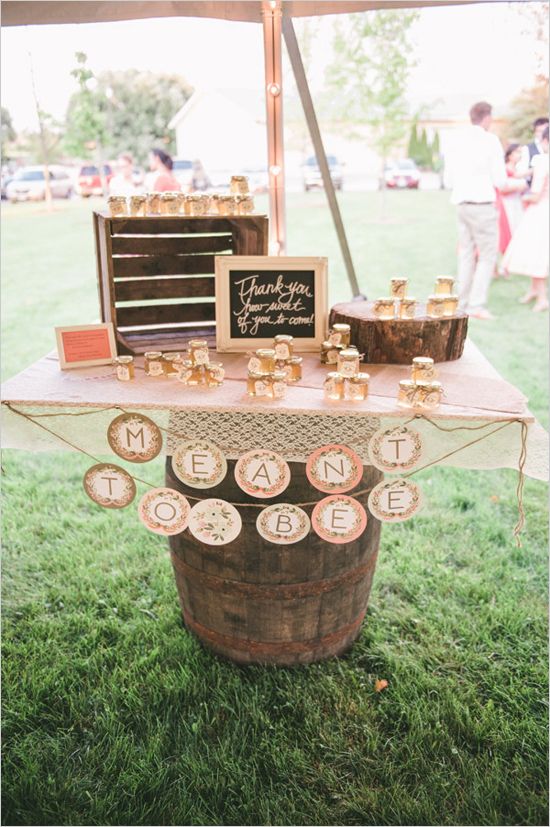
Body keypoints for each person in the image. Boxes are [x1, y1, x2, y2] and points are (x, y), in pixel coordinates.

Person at [448, 101, 507, 320]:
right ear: (487, 117)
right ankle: (476, 305)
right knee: (487, 256)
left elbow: (448, 177)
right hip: (481, 204)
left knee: (466, 253)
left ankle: (462, 302)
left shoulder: (457, 140)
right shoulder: (490, 140)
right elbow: (500, 179)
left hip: (461, 203)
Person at [502, 126, 549, 312]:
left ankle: (543, 297)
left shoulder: (543, 161)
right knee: (536, 252)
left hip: (540, 211)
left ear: (546, 141)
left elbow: (536, 194)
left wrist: (524, 198)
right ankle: (533, 290)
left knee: (536, 253)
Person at [517, 116, 549, 184]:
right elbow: (521, 172)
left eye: (545, 131)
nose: (543, 134)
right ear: (535, 132)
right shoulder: (527, 149)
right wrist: (538, 169)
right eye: (540, 131)